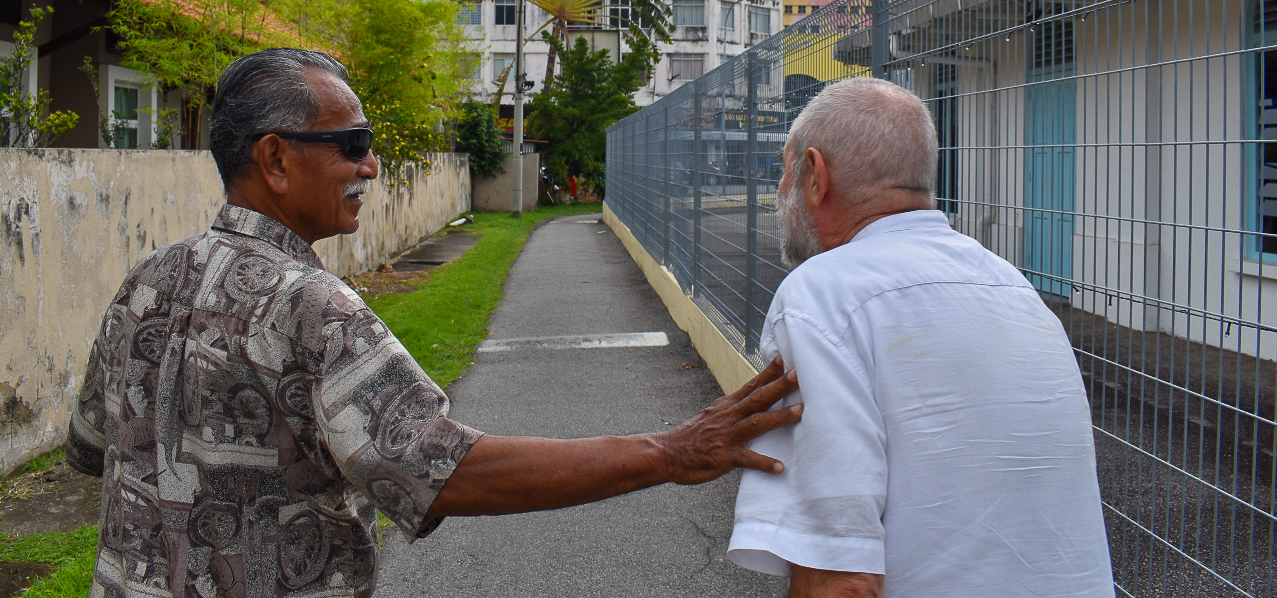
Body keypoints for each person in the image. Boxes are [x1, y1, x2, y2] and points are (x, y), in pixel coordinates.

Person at [66, 48, 800, 598]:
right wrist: (668, 452)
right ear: (276, 159)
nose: (372, 166)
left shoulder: (148, 277)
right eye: (352, 144)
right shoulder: (309, 306)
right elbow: (445, 471)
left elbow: (92, 444)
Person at [727, 77, 1113, 598]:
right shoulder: (1016, 288)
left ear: (815, 176)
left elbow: (841, 580)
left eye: (784, 170)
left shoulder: (821, 297)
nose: (779, 192)